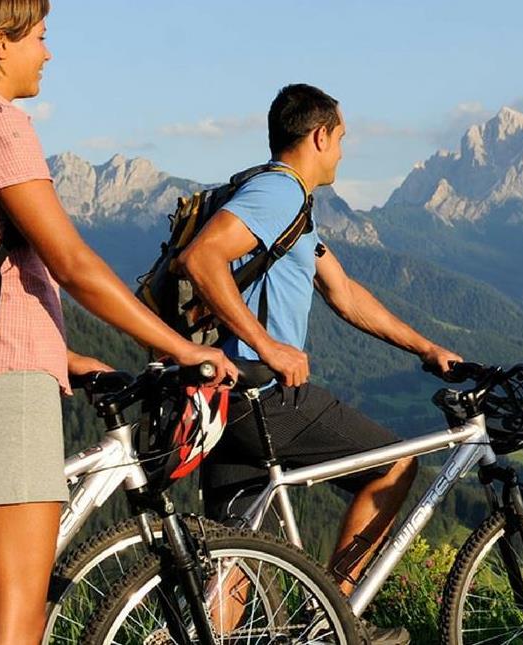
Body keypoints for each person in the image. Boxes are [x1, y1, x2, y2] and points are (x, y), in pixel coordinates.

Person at [0, 2, 239, 643]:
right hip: (0, 402)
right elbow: (73, 263)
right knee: (12, 625)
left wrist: (60, 357)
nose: (48, 52)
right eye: (39, 36)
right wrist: (179, 348)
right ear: (0, 45)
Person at [176, 83, 462, 645]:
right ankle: (336, 622)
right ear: (320, 135)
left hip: (219, 401)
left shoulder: (291, 210)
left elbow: (344, 293)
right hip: (265, 395)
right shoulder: (279, 193)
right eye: (342, 140)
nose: (343, 153)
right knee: (395, 467)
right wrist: (269, 346)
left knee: (237, 559)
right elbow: (201, 258)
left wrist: (425, 348)